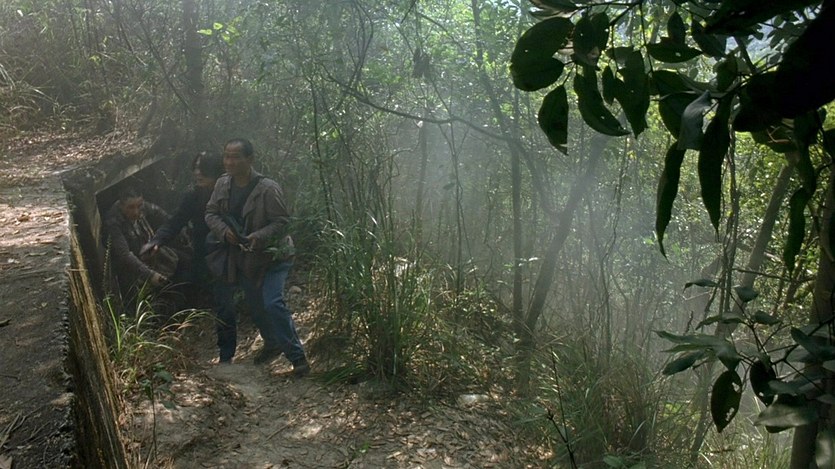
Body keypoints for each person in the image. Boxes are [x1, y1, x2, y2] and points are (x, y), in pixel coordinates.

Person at [205, 138, 308, 376]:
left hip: (274, 257)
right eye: (227, 156)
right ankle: (272, 344)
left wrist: (258, 237)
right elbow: (211, 213)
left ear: (250, 159)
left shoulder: (268, 189)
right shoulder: (222, 184)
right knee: (256, 305)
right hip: (246, 259)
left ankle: (298, 359)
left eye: (236, 157)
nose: (230, 162)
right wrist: (225, 232)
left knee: (272, 303)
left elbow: (282, 223)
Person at [142, 152, 224, 287]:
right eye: (196, 168)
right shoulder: (194, 196)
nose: (197, 172)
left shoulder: (229, 194)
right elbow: (176, 221)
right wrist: (157, 241)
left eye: (203, 168)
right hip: (201, 255)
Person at [103, 186, 183, 302]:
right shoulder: (113, 222)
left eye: (139, 206)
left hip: (150, 251)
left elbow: (159, 212)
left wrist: (178, 228)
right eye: (130, 207)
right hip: (132, 268)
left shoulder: (142, 206)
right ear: (121, 205)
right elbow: (125, 255)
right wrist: (150, 275)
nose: (136, 212)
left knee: (181, 265)